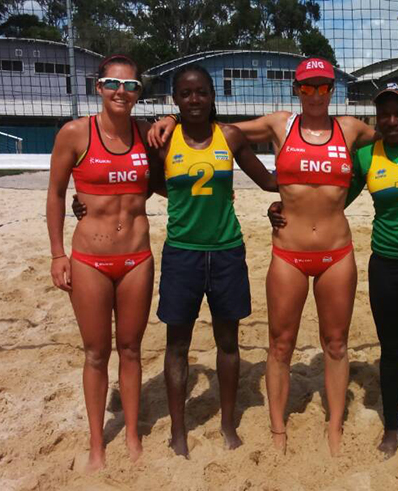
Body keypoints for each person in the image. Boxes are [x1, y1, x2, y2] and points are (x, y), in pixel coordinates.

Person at [147, 58, 398, 457]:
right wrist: (171, 119)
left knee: (336, 344)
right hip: (289, 252)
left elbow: (397, 130)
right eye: (307, 87)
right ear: (297, 90)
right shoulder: (280, 124)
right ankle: (278, 430)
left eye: (323, 87)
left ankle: (334, 427)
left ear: (333, 90)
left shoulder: (350, 129)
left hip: (336, 253)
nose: (315, 94)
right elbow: (211, 127)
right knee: (280, 345)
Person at [270, 75, 398, 459]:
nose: (392, 120)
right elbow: (334, 201)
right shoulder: (367, 156)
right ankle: (392, 428)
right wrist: (286, 211)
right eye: (384, 114)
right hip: (388, 266)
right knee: (392, 349)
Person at [73, 65, 277, 458]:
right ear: (175, 100)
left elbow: (268, 180)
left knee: (228, 342)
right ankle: (178, 432)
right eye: (185, 94)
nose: (194, 100)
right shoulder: (161, 142)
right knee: (177, 345)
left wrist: (317, 184)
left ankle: (228, 424)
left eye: (201, 92)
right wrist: (84, 202)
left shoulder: (229, 137)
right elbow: (138, 184)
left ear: (213, 95)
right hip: (182, 252)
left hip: (226, 251)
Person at [47, 54, 154, 472]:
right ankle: (97, 443)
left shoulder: (147, 134)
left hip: (137, 258)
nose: (121, 92)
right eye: (113, 83)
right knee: (95, 352)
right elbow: (56, 194)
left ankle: (130, 433)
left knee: (131, 349)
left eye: (130, 86)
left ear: (139, 93)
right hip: (90, 258)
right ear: (98, 87)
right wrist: (58, 254)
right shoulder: (75, 133)